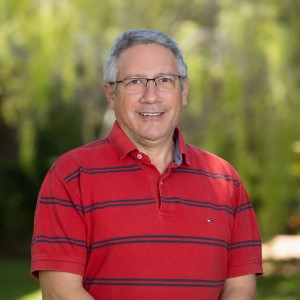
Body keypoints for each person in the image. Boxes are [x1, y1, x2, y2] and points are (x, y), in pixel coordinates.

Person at [31, 29, 263, 299]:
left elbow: (240, 289)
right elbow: (61, 292)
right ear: (111, 93)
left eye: (164, 80)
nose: (151, 96)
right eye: (135, 82)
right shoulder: (70, 176)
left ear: (183, 90)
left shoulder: (225, 181)